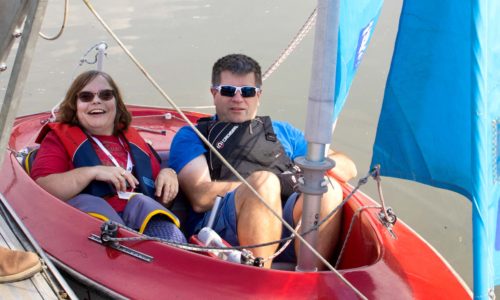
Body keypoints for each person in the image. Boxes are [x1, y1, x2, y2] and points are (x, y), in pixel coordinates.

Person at [169, 54, 357, 268]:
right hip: (223, 224)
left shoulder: (283, 131)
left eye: (247, 92)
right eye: (229, 91)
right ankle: (261, 280)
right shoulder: (192, 135)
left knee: (328, 189)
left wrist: (302, 176)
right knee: (264, 183)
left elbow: (348, 167)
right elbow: (200, 196)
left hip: (287, 219)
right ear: (214, 93)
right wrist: (271, 183)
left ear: (258, 95)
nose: (238, 99)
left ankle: (310, 280)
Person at [31, 70, 186, 243]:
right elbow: (41, 189)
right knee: (100, 217)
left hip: (138, 216)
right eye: (86, 96)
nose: (96, 101)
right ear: (75, 105)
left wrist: (168, 173)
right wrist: (92, 172)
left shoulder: (132, 139)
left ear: (116, 103)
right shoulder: (58, 138)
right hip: (91, 225)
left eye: (106, 95)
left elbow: (160, 199)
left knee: (171, 235)